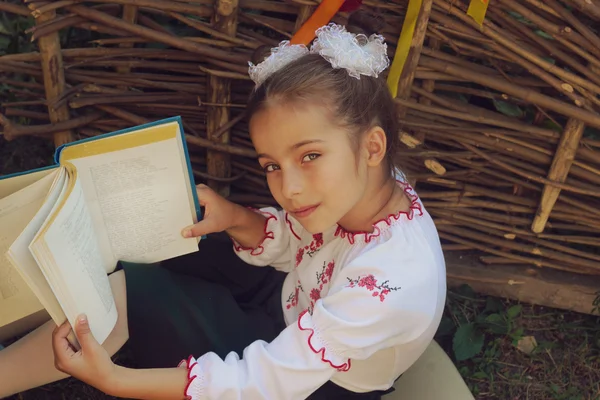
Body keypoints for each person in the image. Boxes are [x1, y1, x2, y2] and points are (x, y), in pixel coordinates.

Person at [0, 18, 446, 400]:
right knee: (169, 231)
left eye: (309, 156)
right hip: (293, 298)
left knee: (132, 297)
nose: (288, 189)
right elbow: (302, 243)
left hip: (309, 380)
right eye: (272, 165)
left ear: (372, 146)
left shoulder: (392, 284)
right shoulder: (369, 187)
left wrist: (117, 381)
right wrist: (235, 218)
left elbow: (263, 379)